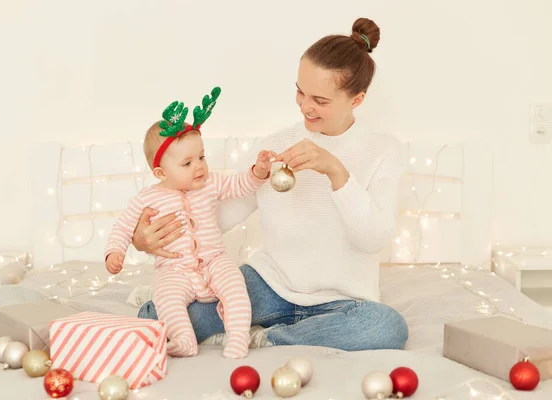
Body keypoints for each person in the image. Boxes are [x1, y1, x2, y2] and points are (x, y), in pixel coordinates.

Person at [133, 17, 409, 352]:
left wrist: (337, 172)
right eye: (300, 91)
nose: (305, 106)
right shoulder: (275, 145)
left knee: (387, 328)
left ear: (357, 99)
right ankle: (199, 303)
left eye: (320, 100)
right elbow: (215, 216)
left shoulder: (384, 151)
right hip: (268, 287)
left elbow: (371, 239)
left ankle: (269, 337)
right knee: (154, 322)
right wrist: (145, 236)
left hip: (342, 301)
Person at [104, 87, 274, 359]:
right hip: (174, 270)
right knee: (167, 299)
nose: (199, 167)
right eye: (187, 163)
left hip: (214, 261)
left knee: (235, 287)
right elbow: (123, 228)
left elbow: (239, 186)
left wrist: (258, 172)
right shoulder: (147, 198)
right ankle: (184, 339)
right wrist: (115, 252)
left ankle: (239, 336)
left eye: (201, 157)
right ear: (161, 172)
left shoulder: (210, 183)